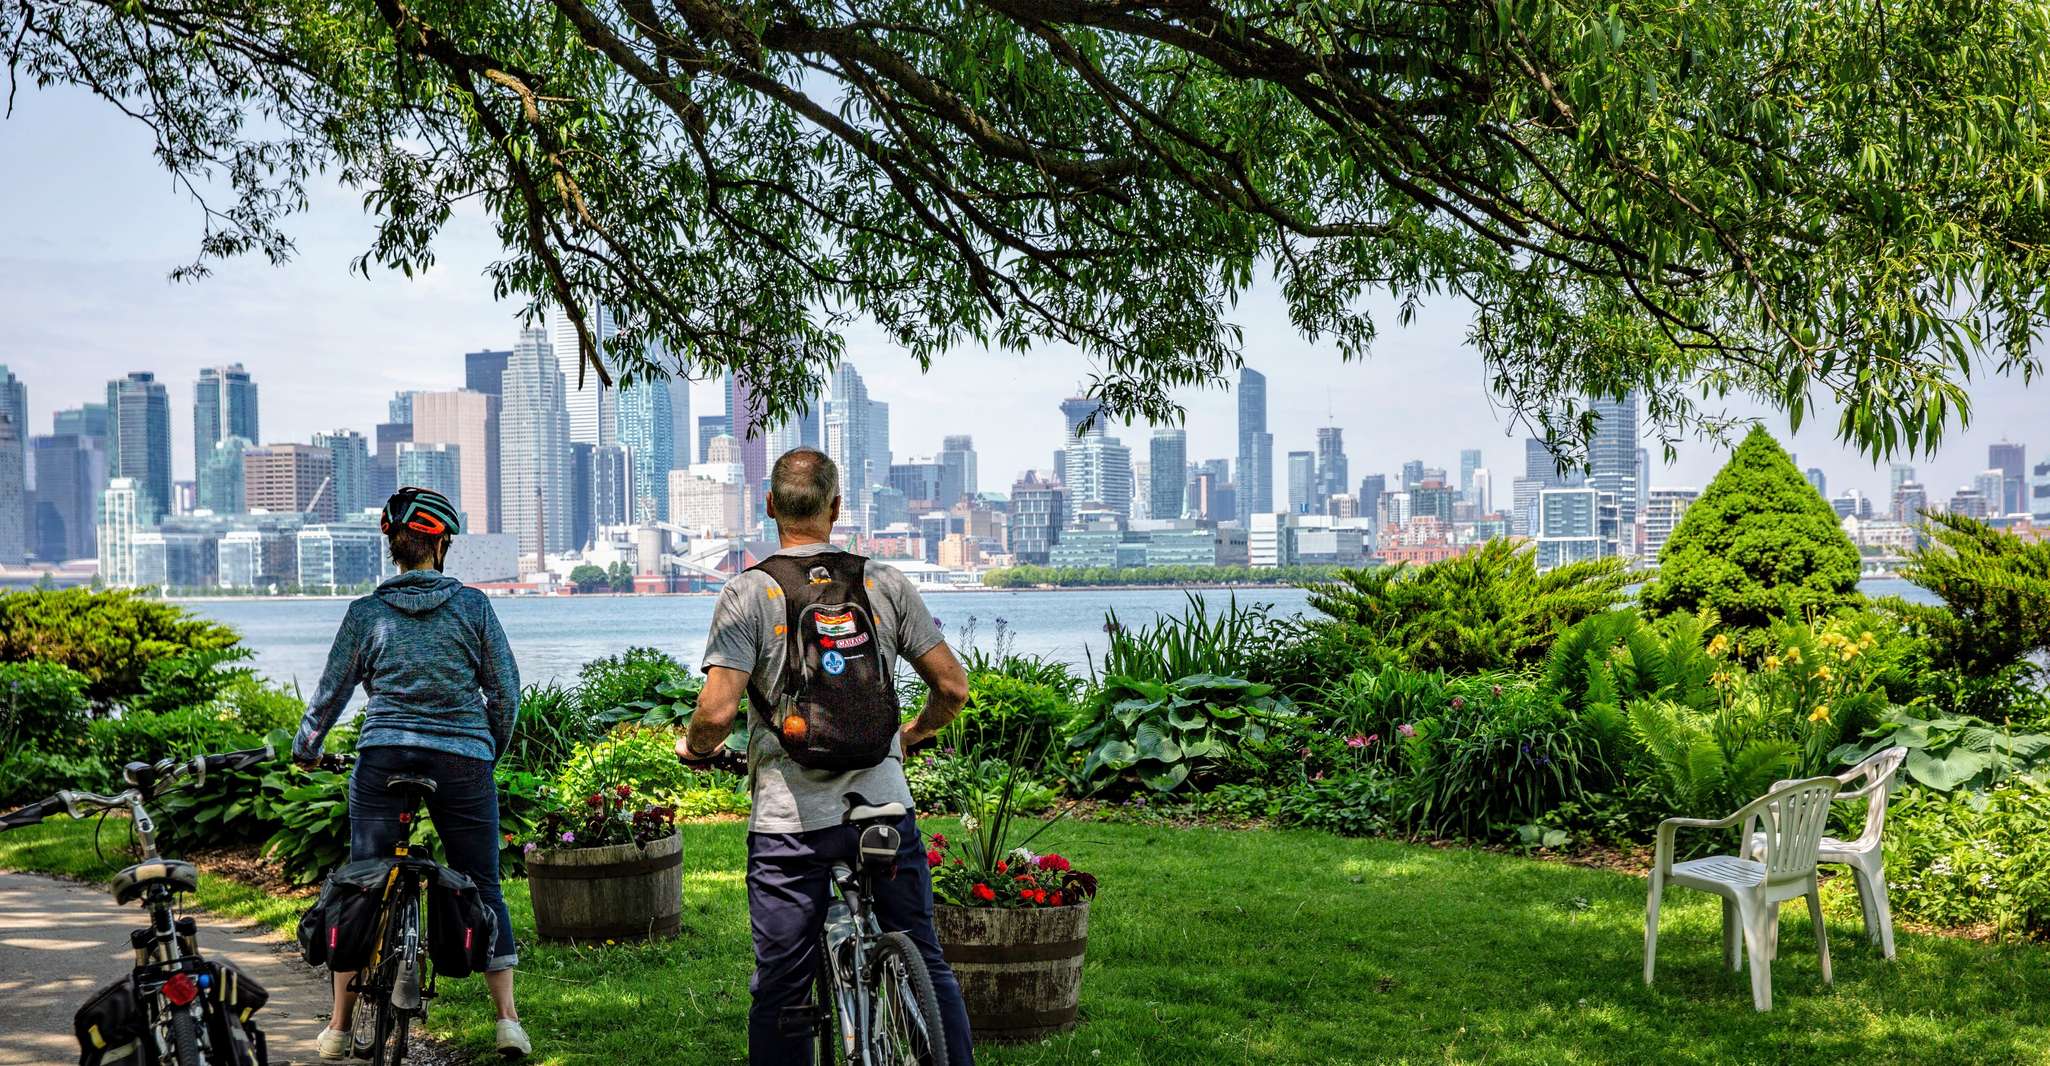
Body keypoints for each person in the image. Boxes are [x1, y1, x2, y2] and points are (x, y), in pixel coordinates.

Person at [679, 447, 975, 1065]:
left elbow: (715, 712)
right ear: (837, 509)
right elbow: (952, 688)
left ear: (769, 508)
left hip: (792, 825)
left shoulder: (748, 593)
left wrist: (694, 748)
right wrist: (912, 736)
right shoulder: (883, 583)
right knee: (923, 951)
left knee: (784, 984)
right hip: (884, 809)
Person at [292, 487, 530, 1059]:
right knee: (482, 880)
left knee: (360, 881)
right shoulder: (473, 608)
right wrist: (484, 752)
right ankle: (507, 1022)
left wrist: (307, 747)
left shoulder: (365, 614)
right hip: (462, 762)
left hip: (383, 757)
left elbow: (330, 695)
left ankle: (339, 1027)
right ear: (441, 544)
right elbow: (507, 694)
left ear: (393, 548)